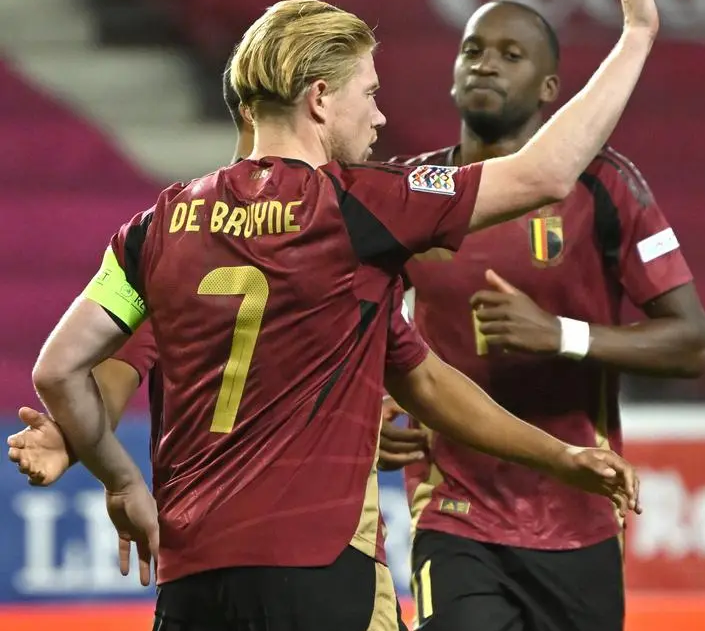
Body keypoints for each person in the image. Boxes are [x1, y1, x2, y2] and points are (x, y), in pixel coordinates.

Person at [29, 0, 657, 631]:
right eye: (370, 93)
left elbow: (57, 369)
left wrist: (117, 476)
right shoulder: (358, 212)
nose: (383, 118)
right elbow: (542, 173)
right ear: (320, 98)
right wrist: (637, 34)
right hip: (318, 573)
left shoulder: (159, 226)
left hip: (192, 591)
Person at [384, 0, 705, 631]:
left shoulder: (605, 187)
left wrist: (558, 334)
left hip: (578, 517)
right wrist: (372, 408)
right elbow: (352, 327)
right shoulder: (413, 194)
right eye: (473, 49)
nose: (485, 64)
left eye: (510, 53)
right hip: (454, 509)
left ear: (549, 91)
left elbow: (691, 341)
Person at [8, 58, 444, 483]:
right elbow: (113, 372)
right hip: (321, 533)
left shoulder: (183, 243)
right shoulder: (344, 232)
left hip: (212, 525)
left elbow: (107, 373)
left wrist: (79, 444)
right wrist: (75, 440)